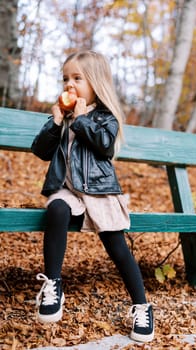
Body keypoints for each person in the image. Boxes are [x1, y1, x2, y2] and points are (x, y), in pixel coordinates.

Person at [31, 50, 154, 343]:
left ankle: (141, 305)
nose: (69, 85)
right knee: (57, 209)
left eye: (77, 78)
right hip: (67, 188)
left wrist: (82, 120)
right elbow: (40, 151)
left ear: (95, 83)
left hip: (99, 191)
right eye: (65, 79)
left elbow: (104, 145)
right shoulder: (63, 116)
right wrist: (55, 122)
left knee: (117, 245)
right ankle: (53, 286)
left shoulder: (104, 116)